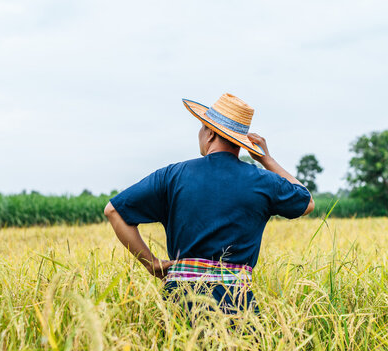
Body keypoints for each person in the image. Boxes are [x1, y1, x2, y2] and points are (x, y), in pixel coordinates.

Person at [104, 93, 315, 315]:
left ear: (211, 132)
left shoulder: (172, 176)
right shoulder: (263, 181)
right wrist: (265, 159)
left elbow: (114, 211)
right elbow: (307, 202)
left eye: (201, 127)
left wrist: (152, 264)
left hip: (180, 302)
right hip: (236, 303)